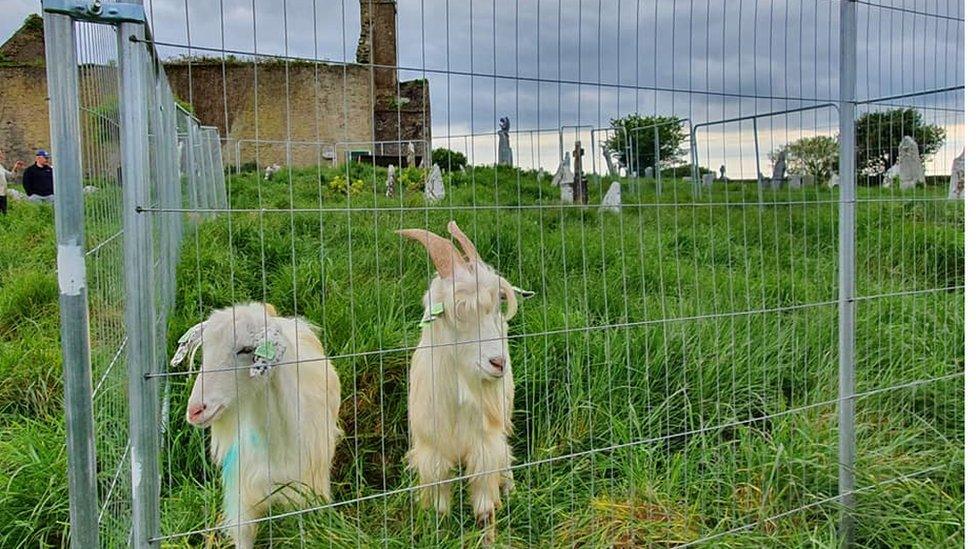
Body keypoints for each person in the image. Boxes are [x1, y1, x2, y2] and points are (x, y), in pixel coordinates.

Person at [0, 150, 24, 215]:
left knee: (4, 214)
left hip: (3, 194)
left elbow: (11, 177)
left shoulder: (1, 167)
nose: (1, 156)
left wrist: (15, 168)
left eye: (1, 154)